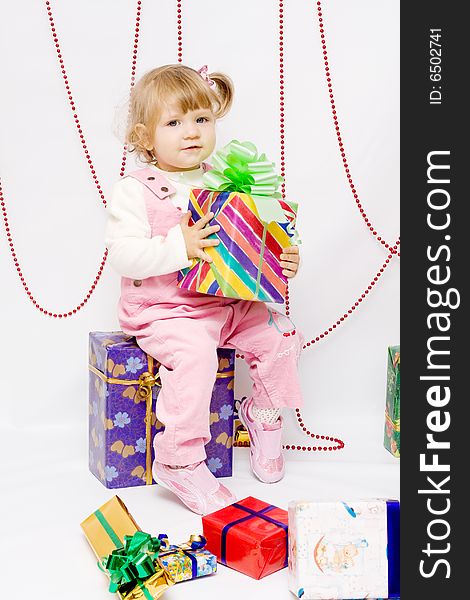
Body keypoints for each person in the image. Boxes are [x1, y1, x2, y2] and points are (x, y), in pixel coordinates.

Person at [106, 64, 303, 515]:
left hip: (226, 302)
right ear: (145, 136)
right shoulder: (136, 190)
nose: (191, 132)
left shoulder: (227, 179)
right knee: (196, 356)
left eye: (201, 119)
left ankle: (264, 415)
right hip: (165, 308)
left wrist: (282, 256)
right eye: (173, 123)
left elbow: (256, 237)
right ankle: (179, 459)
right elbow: (122, 254)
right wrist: (181, 245)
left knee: (280, 333)